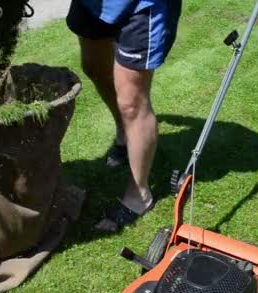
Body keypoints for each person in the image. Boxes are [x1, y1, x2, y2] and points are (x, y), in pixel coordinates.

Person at [66, 0, 182, 231]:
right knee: (93, 66)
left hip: (142, 6)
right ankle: (124, 134)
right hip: (95, 4)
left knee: (132, 102)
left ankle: (139, 195)